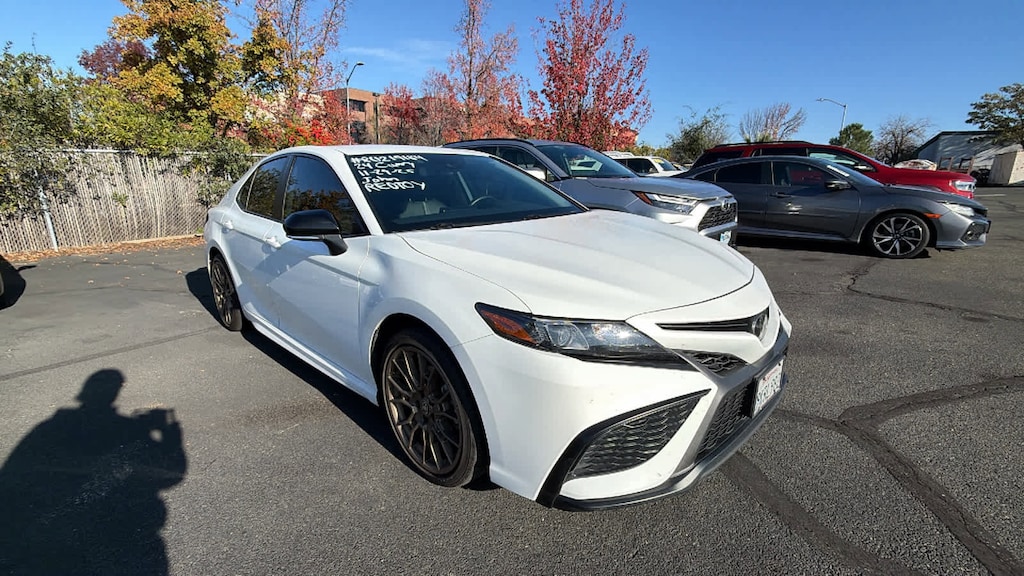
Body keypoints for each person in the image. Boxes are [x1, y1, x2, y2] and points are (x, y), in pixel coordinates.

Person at [0, 369, 187, 575]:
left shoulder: (47, 429)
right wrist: (171, 435)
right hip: (110, 535)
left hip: (47, 536)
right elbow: (172, 474)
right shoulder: (127, 429)